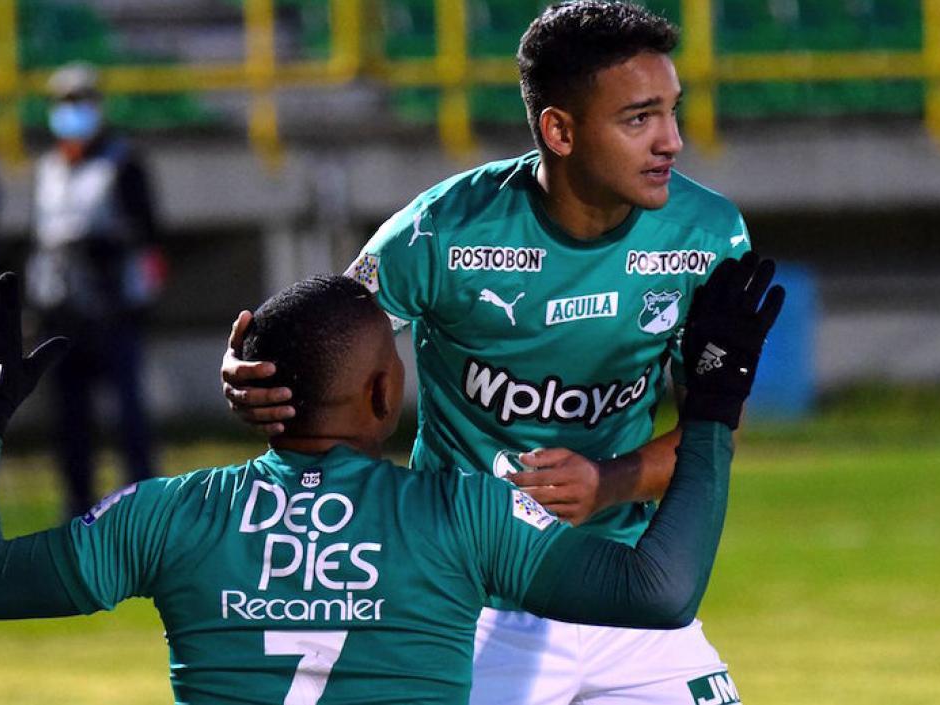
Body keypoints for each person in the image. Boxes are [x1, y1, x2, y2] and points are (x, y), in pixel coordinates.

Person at [0, 258, 782, 704]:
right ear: (383, 393)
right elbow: (661, 589)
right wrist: (709, 410)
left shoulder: (167, 513)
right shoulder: (463, 514)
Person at [223, 2, 759, 702]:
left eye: (672, 110)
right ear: (559, 130)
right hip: (471, 596)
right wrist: (250, 370)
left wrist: (608, 481)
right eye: (639, 119)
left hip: (624, 584)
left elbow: (714, 429)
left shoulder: (707, 234)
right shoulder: (440, 233)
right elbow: (319, 343)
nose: (672, 141)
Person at [26, 61, 165, 518]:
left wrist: (107, 250)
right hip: (62, 309)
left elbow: (148, 232)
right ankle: (77, 509)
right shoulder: (49, 166)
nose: (73, 111)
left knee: (128, 417)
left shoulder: (123, 163)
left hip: (112, 305)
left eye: (80, 101)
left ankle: (143, 510)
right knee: (69, 421)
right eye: (64, 102)